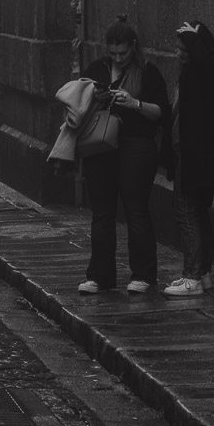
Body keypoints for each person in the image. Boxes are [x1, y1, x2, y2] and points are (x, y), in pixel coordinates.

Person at [76, 18, 171, 296]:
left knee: (136, 210)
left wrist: (134, 103)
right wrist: (95, 96)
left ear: (133, 47)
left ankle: (143, 274)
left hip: (137, 146)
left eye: (123, 53)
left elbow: (161, 113)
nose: (118, 58)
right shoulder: (97, 70)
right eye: (113, 53)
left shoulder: (148, 72)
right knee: (102, 213)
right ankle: (99, 276)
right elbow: (77, 106)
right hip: (102, 147)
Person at [163, 21, 214, 297]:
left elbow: (205, 59)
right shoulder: (199, 73)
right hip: (192, 151)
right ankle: (201, 273)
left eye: (183, 48)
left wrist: (195, 36)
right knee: (197, 210)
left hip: (194, 152)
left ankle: (191, 276)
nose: (178, 53)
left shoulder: (202, 72)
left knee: (186, 209)